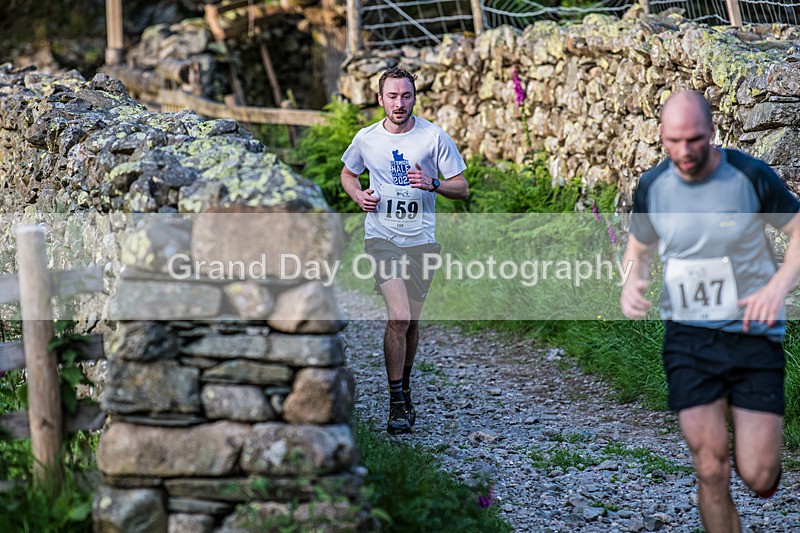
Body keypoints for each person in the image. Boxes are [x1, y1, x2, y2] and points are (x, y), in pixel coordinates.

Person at [620, 90, 800, 532]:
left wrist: (777, 288)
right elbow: (638, 249)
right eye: (674, 140)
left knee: (758, 476)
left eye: (695, 139)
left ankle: (759, 458)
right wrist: (630, 282)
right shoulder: (653, 186)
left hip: (753, 332)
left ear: (713, 131)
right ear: (661, 135)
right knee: (710, 467)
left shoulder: (749, 176)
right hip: (689, 338)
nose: (684, 151)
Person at [340, 67, 469, 434]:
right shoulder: (366, 138)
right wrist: (358, 195)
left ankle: (406, 388)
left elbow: (462, 188)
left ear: (415, 98)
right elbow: (348, 174)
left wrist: (433, 183)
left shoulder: (433, 137)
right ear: (380, 99)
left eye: (406, 96)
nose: (399, 103)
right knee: (398, 317)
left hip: (422, 241)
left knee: (412, 321)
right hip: (382, 238)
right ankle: (396, 402)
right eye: (392, 96)